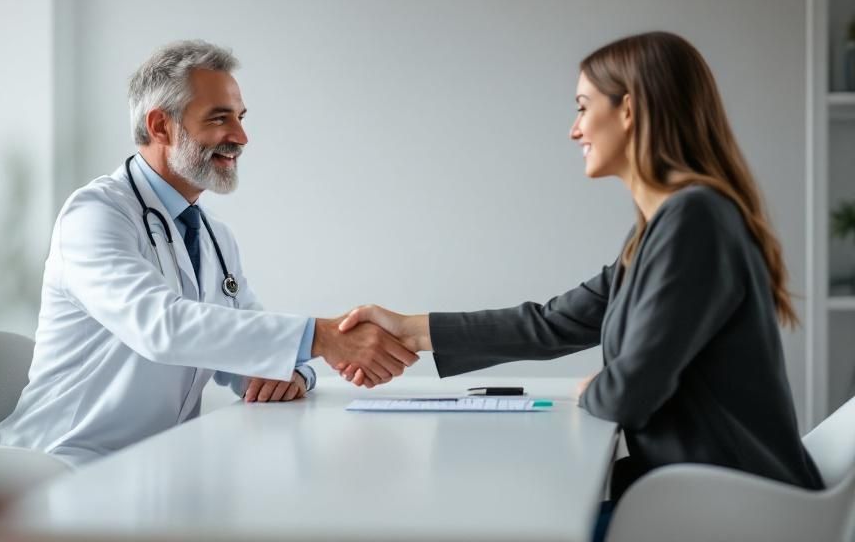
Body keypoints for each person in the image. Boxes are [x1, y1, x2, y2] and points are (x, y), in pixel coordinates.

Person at [335, 31, 823, 538]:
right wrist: (408, 329)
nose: (574, 130)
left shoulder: (694, 221)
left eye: (583, 107)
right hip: (698, 502)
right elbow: (553, 324)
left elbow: (628, 394)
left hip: (734, 515)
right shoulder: (660, 230)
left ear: (629, 110)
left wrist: (602, 388)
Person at [0, 40, 417, 466]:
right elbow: (161, 326)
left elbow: (243, 339)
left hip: (152, 467)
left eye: (240, 117)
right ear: (160, 126)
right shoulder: (95, 215)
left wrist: (293, 371)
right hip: (62, 465)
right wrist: (322, 338)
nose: (241, 137)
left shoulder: (213, 234)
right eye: (219, 119)